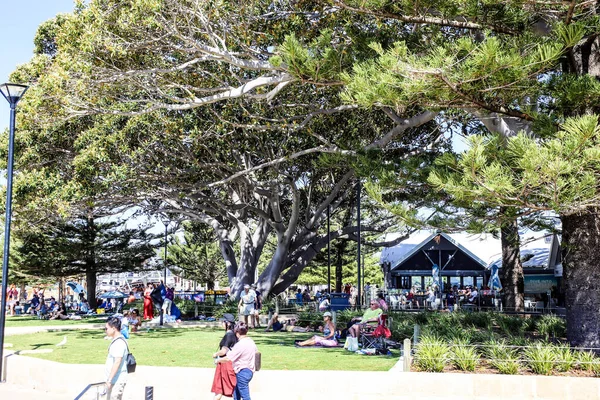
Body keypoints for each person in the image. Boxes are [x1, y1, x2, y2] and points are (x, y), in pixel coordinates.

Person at [217, 322, 258, 400]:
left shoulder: (240, 344)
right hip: (249, 370)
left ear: (237, 332)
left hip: (242, 371)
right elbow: (256, 353)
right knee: (236, 393)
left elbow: (228, 358)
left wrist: (218, 360)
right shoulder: (251, 342)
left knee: (245, 396)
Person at [212, 314, 238, 400]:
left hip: (225, 363)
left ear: (228, 323)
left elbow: (224, 351)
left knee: (225, 388)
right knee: (220, 389)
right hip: (226, 363)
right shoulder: (234, 334)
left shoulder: (229, 335)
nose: (222, 323)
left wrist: (215, 354)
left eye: (223, 322)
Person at [104, 316, 128, 399]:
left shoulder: (119, 343)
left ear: (113, 328)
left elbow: (117, 362)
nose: (105, 331)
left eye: (106, 328)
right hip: (113, 380)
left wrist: (109, 380)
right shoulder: (116, 341)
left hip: (116, 381)